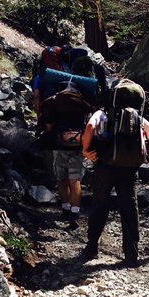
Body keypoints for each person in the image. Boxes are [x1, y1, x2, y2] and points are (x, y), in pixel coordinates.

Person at [81, 80, 149, 266]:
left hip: (105, 166)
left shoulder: (104, 113)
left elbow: (90, 126)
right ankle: (131, 255)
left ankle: (92, 247)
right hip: (129, 169)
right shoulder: (138, 116)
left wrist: (85, 150)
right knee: (130, 208)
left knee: (99, 204)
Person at [38, 83, 94, 226]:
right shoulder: (82, 103)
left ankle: (66, 208)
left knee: (61, 179)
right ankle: (75, 213)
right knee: (75, 180)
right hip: (78, 147)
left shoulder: (54, 101)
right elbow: (89, 124)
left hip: (60, 146)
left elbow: (48, 126)